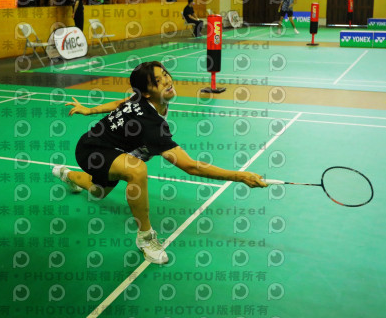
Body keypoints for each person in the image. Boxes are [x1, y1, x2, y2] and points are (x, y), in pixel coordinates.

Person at [52, 61, 265, 264]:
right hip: (91, 150)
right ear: (146, 93)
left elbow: (119, 103)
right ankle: (145, 238)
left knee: (98, 192)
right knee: (137, 170)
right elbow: (190, 166)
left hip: (111, 149)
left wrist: (90, 110)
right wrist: (240, 176)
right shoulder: (152, 126)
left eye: (165, 74)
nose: (166, 81)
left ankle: (66, 174)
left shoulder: (143, 100)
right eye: (157, 81)